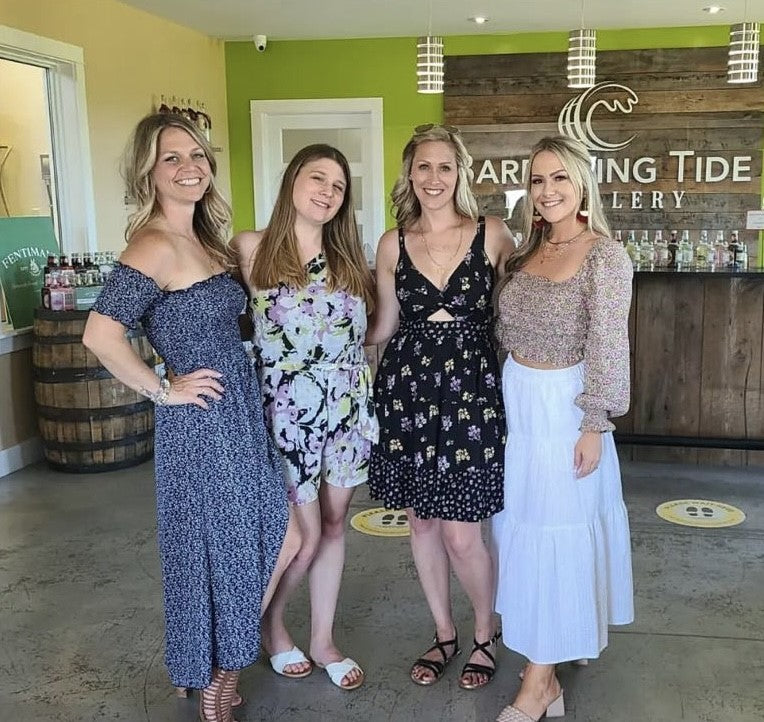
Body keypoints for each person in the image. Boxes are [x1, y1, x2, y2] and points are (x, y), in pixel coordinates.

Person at [82, 113, 300, 722]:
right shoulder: (151, 245)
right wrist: (163, 389)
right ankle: (220, 679)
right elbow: (99, 335)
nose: (189, 167)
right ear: (148, 172)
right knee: (242, 546)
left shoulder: (207, 241)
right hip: (201, 423)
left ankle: (205, 662)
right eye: (172, 158)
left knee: (257, 539)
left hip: (240, 415)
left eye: (197, 155)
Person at [365, 124, 514, 690]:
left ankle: (485, 632)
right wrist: (323, 345)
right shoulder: (392, 243)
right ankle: (444, 633)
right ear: (409, 173)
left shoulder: (492, 234)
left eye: (444, 166)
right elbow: (384, 325)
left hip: (472, 392)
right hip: (406, 392)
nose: (433, 178)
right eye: (423, 166)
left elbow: (517, 312)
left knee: (462, 532)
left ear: (460, 173)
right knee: (421, 521)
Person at [491, 135, 634, 722]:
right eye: (537, 179)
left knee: (558, 533)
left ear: (581, 185)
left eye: (559, 178)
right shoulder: (525, 252)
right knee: (524, 533)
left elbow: (609, 344)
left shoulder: (605, 255)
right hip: (519, 406)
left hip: (567, 409)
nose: (547, 191)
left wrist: (595, 422)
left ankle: (539, 682)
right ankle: (547, 655)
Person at [232, 144, 377, 691]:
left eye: (338, 186)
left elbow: (370, 333)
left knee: (335, 525)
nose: (327, 192)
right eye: (318, 178)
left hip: (346, 412)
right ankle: (269, 628)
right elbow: (206, 313)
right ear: (292, 180)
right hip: (285, 414)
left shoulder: (351, 258)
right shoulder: (251, 248)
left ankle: (322, 639)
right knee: (304, 534)